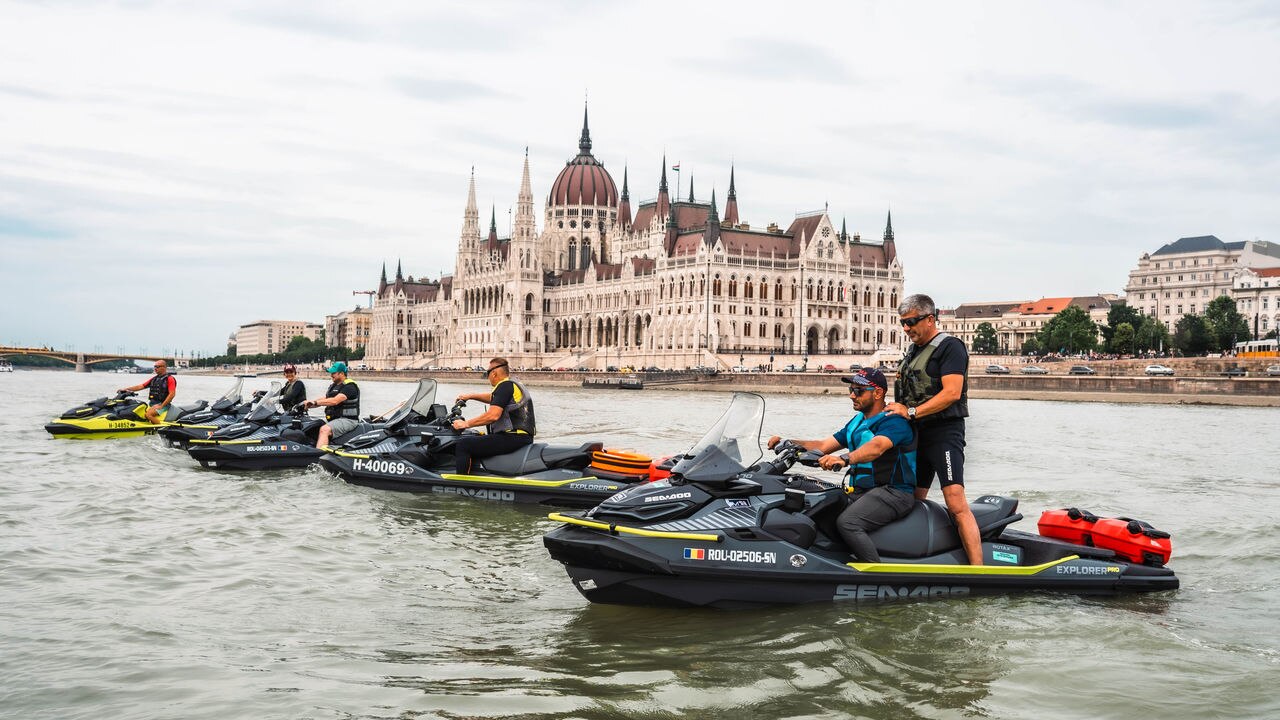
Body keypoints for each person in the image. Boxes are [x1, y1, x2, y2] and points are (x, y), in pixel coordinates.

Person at [767, 369, 916, 562]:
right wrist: (788, 442)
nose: (851, 395)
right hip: (863, 491)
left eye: (859, 391)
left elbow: (877, 447)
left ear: (878, 393)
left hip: (894, 492)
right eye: (851, 389)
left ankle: (875, 574)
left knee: (848, 522)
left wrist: (844, 459)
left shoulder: (894, 421)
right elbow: (823, 446)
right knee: (819, 506)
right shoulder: (857, 422)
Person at [883, 293, 983, 565]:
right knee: (911, 498)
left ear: (930, 319)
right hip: (917, 435)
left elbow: (952, 393)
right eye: (902, 322)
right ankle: (914, 554)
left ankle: (980, 570)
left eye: (911, 322)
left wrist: (911, 411)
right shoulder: (913, 351)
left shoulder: (950, 347)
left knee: (955, 501)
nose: (906, 329)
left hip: (943, 434)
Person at [451, 357, 536, 474]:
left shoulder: (504, 386)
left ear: (494, 373)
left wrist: (464, 424)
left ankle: (460, 484)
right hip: (522, 437)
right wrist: (470, 396)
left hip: (511, 438)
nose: (488, 376)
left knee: (463, 445)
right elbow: (494, 398)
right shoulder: (513, 385)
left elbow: (492, 416)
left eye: (487, 373)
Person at [302, 361, 360, 448]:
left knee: (324, 430)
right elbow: (326, 399)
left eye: (333, 373)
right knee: (312, 426)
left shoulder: (350, 387)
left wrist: (316, 402)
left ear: (341, 373)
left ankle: (319, 456)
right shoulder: (334, 386)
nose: (331, 375)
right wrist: (309, 404)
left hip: (348, 420)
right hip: (335, 419)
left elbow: (335, 401)